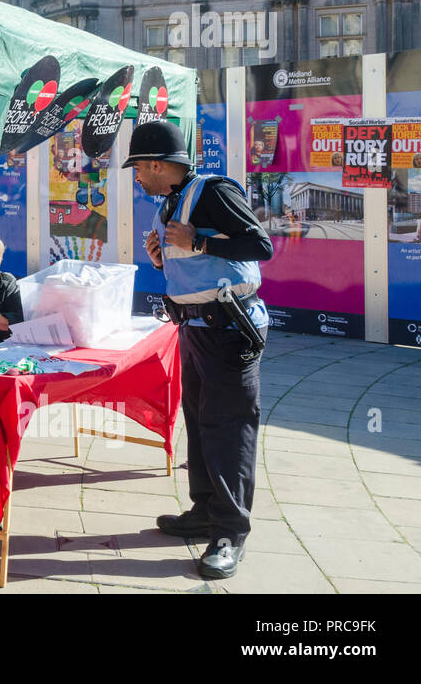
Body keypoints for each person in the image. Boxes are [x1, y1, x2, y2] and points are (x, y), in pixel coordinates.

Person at [126, 119, 273, 581]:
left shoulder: (212, 190)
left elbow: (260, 245)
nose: (136, 177)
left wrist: (198, 241)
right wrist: (162, 256)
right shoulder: (171, 201)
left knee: (229, 430)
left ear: (156, 163)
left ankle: (231, 533)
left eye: (138, 168)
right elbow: (197, 265)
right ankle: (205, 510)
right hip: (194, 329)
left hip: (229, 328)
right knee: (201, 422)